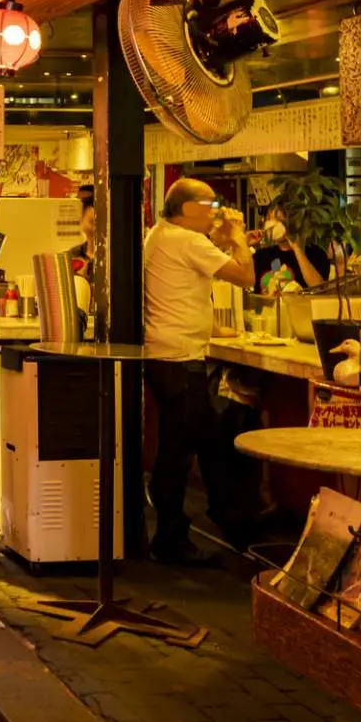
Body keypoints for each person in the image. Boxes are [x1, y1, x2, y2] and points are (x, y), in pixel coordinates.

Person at [142, 177, 256, 564]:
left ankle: (227, 520)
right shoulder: (187, 240)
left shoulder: (160, 234)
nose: (217, 212)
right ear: (188, 209)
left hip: (165, 355)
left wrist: (220, 235)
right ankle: (177, 538)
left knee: (201, 443)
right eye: (210, 206)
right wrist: (238, 237)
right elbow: (245, 276)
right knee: (181, 451)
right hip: (180, 358)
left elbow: (195, 274)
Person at [252, 205, 328, 293]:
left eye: (279, 220)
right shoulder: (260, 256)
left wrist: (297, 248)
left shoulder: (316, 254)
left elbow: (319, 290)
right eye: (269, 220)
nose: (271, 225)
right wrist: (244, 243)